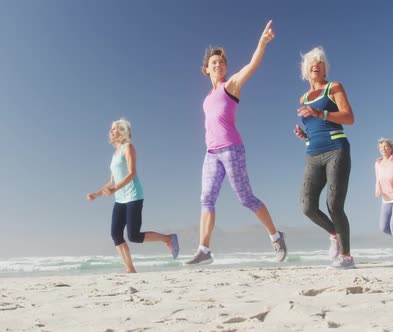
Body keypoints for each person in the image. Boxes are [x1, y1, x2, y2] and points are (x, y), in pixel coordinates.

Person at [185, 19, 287, 266]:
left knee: (245, 198)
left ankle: (276, 236)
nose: (218, 64)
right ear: (206, 70)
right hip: (211, 153)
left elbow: (252, 65)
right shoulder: (206, 98)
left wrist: (261, 43)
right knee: (206, 199)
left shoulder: (231, 86)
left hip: (232, 149)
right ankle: (204, 250)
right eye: (214, 62)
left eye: (221, 62)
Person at [87, 119, 179, 273]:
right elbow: (112, 181)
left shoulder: (128, 148)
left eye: (115, 128)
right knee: (115, 234)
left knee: (133, 236)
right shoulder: (114, 154)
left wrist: (115, 188)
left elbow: (132, 173)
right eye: (111, 128)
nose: (111, 130)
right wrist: (96, 194)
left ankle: (169, 239)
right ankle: (130, 268)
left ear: (122, 131)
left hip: (133, 196)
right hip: (120, 199)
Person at [293, 46, 355, 269]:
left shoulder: (333, 87)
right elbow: (314, 126)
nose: (315, 65)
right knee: (307, 206)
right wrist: (304, 135)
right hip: (312, 153)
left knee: (334, 204)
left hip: (336, 149)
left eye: (319, 62)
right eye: (311, 62)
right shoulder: (303, 98)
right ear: (305, 70)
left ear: (324, 68)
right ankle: (333, 234)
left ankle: (346, 256)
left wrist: (322, 113)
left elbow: (349, 117)